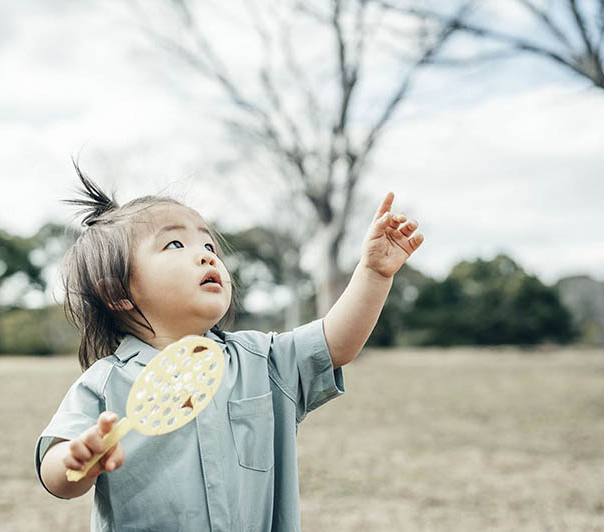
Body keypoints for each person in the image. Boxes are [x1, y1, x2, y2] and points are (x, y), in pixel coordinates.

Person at [35, 169, 424, 531]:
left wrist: (373, 274)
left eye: (208, 243)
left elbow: (336, 343)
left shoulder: (262, 359)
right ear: (117, 292)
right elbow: (57, 475)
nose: (207, 255)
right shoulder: (105, 384)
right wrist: (78, 461)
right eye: (174, 243)